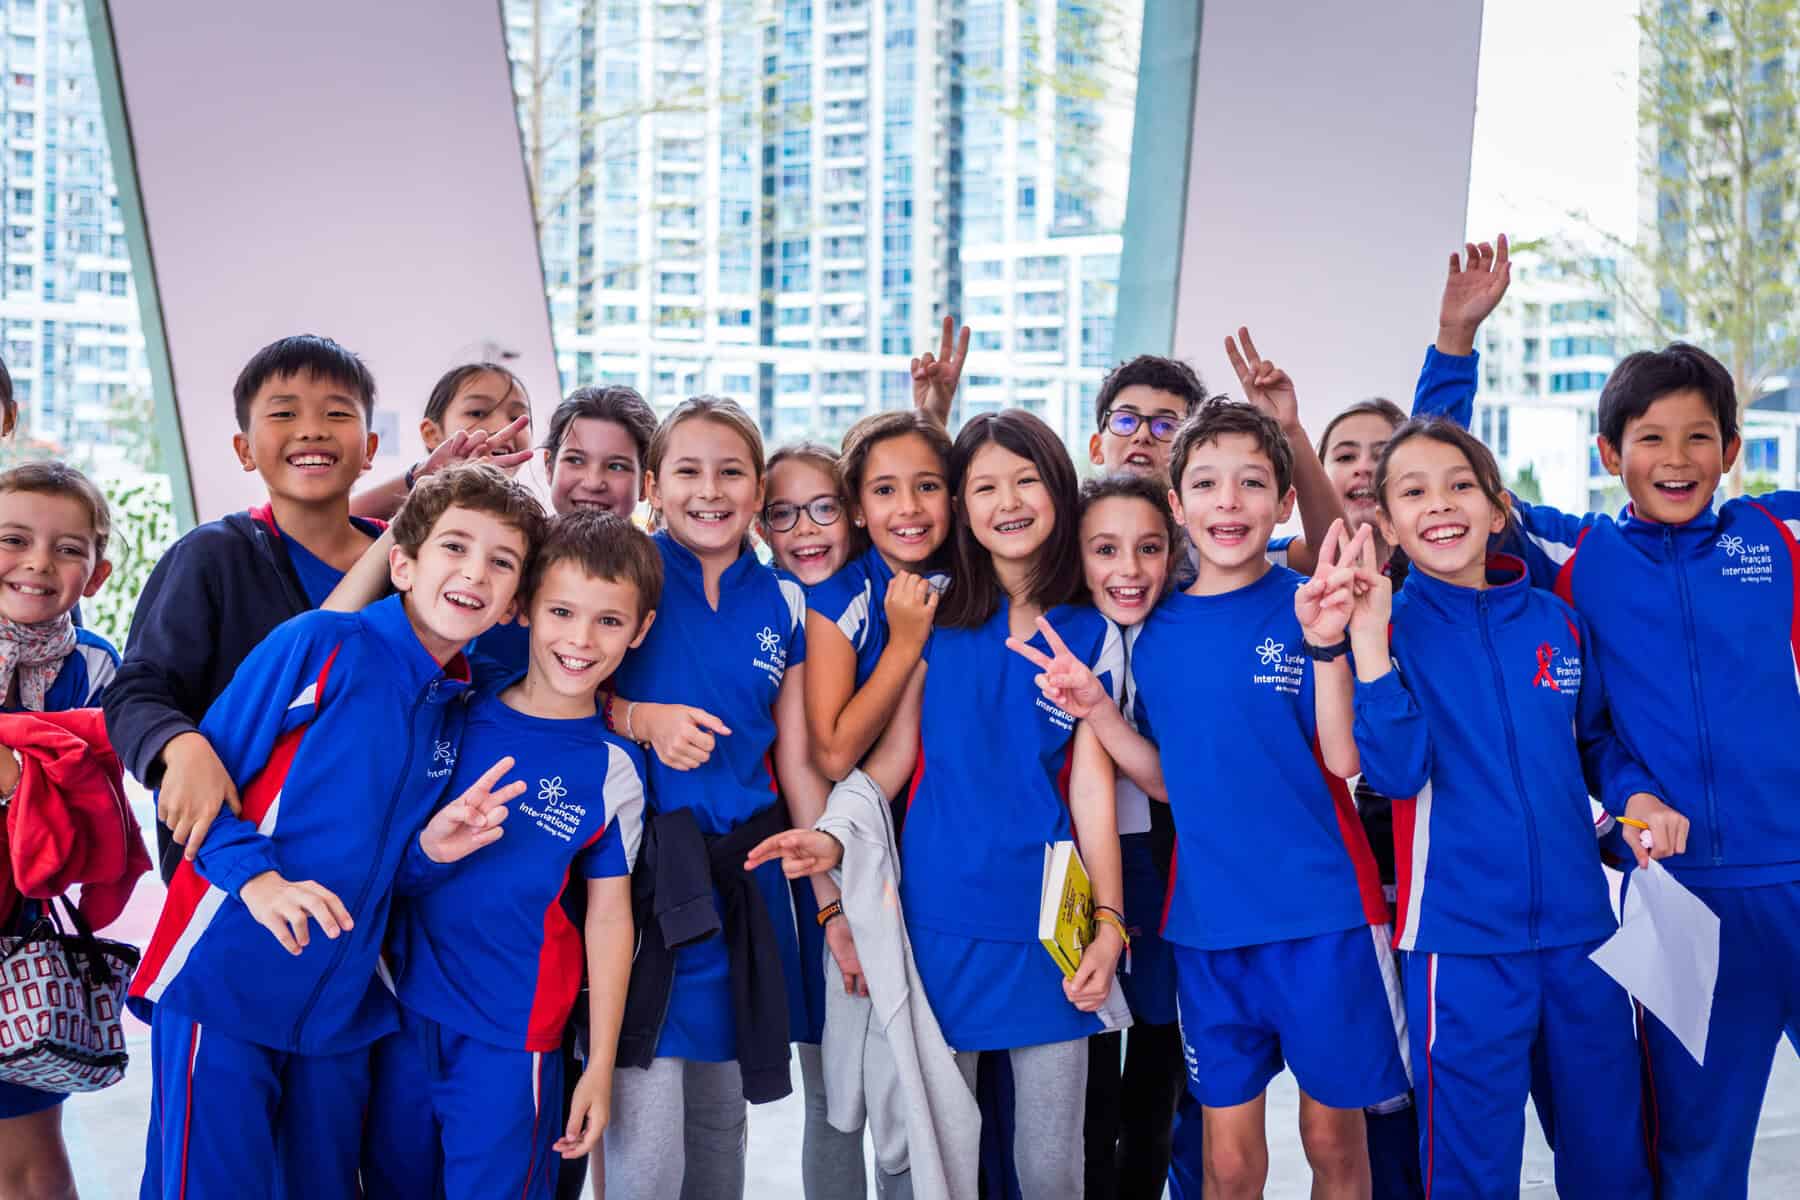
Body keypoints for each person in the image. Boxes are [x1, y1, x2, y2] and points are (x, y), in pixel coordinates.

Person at [1411, 236, 1800, 1199]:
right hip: (1682, 897)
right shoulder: (1574, 556)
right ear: (1609, 454)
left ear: (1732, 452)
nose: (1677, 458)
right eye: (1651, 439)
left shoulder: (1779, 533)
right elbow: (1440, 478)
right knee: (1694, 1153)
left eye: (1700, 437)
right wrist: (1454, 343)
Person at [127, 464, 545, 1199]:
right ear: (403, 565)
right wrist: (259, 881)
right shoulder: (322, 644)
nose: (475, 573)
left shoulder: (456, 706)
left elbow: (384, 868)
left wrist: (429, 852)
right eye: (455, 547)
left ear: (514, 601)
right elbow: (193, 794)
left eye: (501, 561)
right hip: (226, 983)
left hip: (340, 1017)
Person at [1349, 418, 1673, 1198]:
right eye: (1414, 492)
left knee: (1612, 1163)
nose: (1440, 504)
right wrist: (1369, 647)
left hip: (1583, 938)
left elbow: (1594, 744)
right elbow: (1395, 772)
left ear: (1498, 509)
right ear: (1387, 525)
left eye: (1460, 485)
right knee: (1471, 1173)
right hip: (1458, 948)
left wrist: (1636, 801)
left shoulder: (1558, 623)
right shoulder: (1388, 632)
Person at [1127, 396, 1406, 1200]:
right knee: (1228, 1166)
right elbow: (1170, 776)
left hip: (1324, 921)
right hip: (1209, 928)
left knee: (1334, 1145)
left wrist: (1326, 642)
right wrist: (1099, 714)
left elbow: (1346, 757)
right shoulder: (1148, 629)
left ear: (1284, 503)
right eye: (1206, 483)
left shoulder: (1310, 603)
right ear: (1177, 504)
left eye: (1251, 483)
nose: (1228, 501)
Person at [362, 512, 655, 1199]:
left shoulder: (613, 767)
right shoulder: (452, 706)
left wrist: (599, 1064)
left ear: (639, 630)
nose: (580, 640)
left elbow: (609, 918)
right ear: (521, 608)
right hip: (397, 1013)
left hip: (512, 1038)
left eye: (609, 621)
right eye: (562, 612)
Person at [900, 409, 1128, 1199]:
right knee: (943, 1160)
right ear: (960, 506)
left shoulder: (1095, 628)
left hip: (1049, 924)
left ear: (1060, 489)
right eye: (985, 486)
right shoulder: (928, 612)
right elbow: (889, 760)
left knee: (1050, 1166)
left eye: (1027, 480)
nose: (1009, 501)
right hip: (937, 915)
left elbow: (1092, 791)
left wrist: (1110, 923)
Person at [603, 397, 817, 1199]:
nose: (710, 490)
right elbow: (555, 687)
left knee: (722, 1125)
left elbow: (795, 759)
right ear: (654, 486)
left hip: (746, 887)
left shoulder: (785, 600)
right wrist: (640, 718)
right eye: (687, 471)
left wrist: (827, 899)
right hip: (644, 888)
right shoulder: (627, 570)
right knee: (648, 1144)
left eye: (731, 472)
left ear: (758, 489)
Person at [103, 335, 387, 881]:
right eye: (284, 413)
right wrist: (178, 745)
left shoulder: (412, 564)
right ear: (244, 449)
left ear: (369, 447)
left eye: (337, 413)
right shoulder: (211, 557)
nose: (312, 429)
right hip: (242, 866)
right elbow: (137, 689)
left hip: (374, 862)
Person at [757, 442, 881, 1200]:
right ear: (760, 525)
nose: (805, 528)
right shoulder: (779, 601)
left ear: (853, 513)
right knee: (833, 1097)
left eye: (823, 508)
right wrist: (830, 906)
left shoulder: (881, 587)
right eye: (783, 513)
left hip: (898, 852)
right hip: (809, 864)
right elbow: (803, 762)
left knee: (907, 1094)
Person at [0, 461, 121, 1200]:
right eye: (13, 539)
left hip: (22, 931)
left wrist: (19, 775)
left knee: (28, 1151)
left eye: (67, 548)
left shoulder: (96, 665)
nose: (39, 562)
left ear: (97, 574)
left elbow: (93, 807)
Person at [1069, 472, 1185, 1200]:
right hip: (1076, 863)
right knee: (1085, 1069)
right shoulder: (1064, 629)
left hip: (1163, 861)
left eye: (1149, 548)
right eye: (1105, 549)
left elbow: (1170, 779)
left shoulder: (1182, 633)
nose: (1129, 569)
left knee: (1155, 1062)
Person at [804, 411, 952, 785]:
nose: (909, 506)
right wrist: (904, 644)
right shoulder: (839, 602)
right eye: (885, 491)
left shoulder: (970, 582)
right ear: (857, 509)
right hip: (873, 805)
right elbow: (833, 758)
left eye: (928, 486)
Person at [352, 362, 535, 520]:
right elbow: (341, 522)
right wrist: (422, 474)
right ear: (432, 434)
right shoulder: (410, 523)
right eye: (477, 413)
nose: (502, 426)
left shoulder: (533, 525)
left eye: (516, 417)